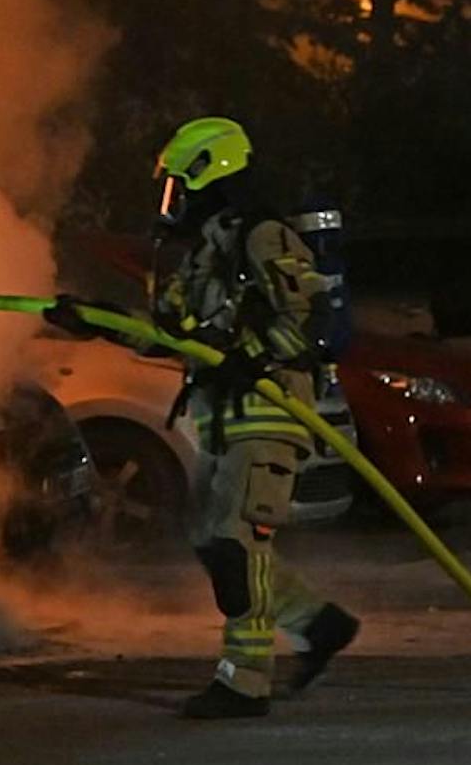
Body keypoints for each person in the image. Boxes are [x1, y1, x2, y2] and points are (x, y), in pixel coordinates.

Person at [147, 117, 360, 719]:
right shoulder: (210, 251)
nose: (174, 201)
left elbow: (307, 320)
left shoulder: (264, 237)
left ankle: (244, 682)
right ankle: (321, 625)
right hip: (225, 417)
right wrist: (88, 318)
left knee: (237, 544)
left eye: (179, 185)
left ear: (210, 170)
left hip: (267, 410)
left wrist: (253, 356)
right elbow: (171, 329)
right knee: (212, 541)